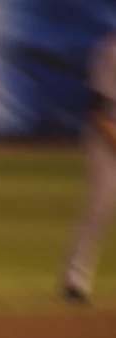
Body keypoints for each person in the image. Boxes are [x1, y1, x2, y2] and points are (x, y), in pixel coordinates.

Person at [61, 32, 116, 304]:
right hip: (105, 137)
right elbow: (99, 109)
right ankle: (75, 280)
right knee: (100, 206)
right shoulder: (111, 50)